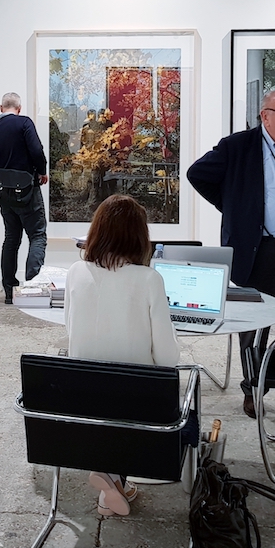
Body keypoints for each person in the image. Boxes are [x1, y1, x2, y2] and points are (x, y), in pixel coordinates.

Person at [187, 90, 275, 426]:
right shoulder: (238, 147)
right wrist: (238, 208)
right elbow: (197, 175)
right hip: (261, 249)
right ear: (265, 116)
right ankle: (253, 390)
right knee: (255, 324)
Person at [64, 194, 181, 517]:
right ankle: (110, 478)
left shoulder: (75, 272)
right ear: (140, 236)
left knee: (106, 394)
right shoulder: (148, 280)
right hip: (136, 404)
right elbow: (168, 358)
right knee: (160, 389)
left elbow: (71, 331)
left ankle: (112, 487)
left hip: (80, 400)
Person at [0, 92, 48, 304]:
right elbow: (36, 151)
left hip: (4, 194)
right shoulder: (24, 124)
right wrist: (42, 170)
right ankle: (32, 289)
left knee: (11, 239)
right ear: (19, 109)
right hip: (28, 190)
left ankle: (9, 291)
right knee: (37, 235)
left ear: (1, 108)